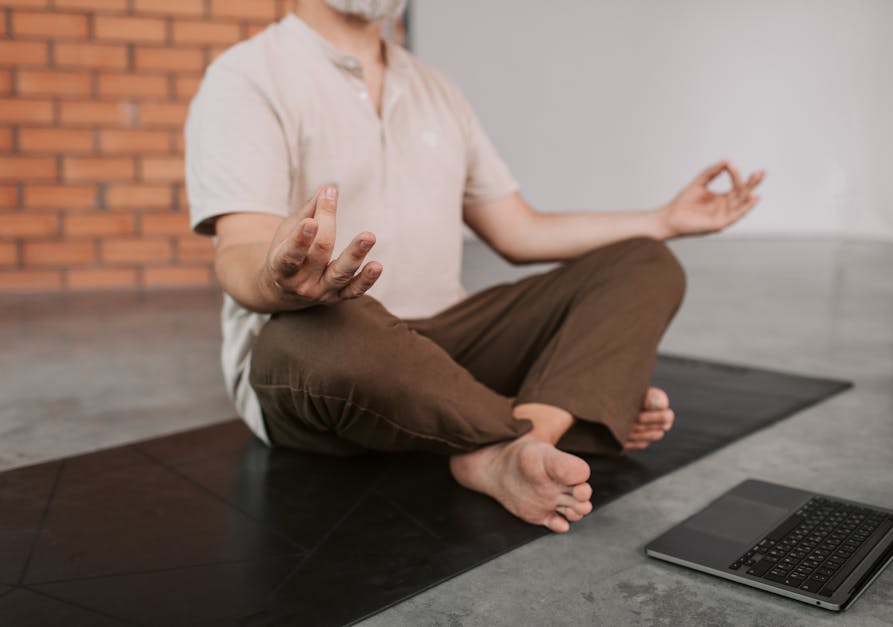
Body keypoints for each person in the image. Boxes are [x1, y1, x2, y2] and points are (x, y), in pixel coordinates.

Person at [185, 0, 765, 533]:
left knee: (645, 263)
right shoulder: (247, 77)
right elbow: (239, 253)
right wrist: (280, 281)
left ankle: (513, 449)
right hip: (328, 350)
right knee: (328, 337)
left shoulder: (435, 88)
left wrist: (664, 219)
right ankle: (562, 418)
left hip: (448, 351)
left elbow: (519, 230)